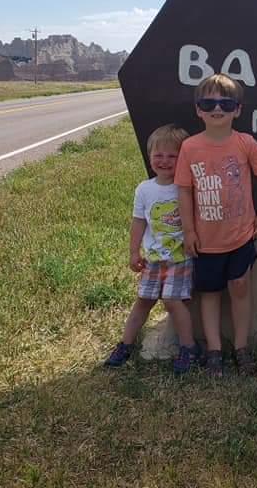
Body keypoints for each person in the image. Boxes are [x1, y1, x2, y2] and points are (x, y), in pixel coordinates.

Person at [175, 73, 257, 376]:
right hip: (205, 241)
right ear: (198, 109)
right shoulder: (190, 148)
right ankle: (215, 349)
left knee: (240, 286)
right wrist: (189, 230)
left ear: (237, 109)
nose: (217, 109)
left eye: (225, 103)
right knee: (209, 293)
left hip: (241, 235)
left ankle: (241, 347)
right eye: (208, 103)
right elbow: (184, 189)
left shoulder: (246, 143)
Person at [104, 123, 201, 374]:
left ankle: (188, 347)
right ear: (150, 157)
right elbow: (139, 222)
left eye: (172, 156)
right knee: (143, 300)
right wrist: (133, 252)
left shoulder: (187, 188)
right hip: (152, 259)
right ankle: (125, 344)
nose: (165, 161)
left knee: (172, 301)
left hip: (179, 257)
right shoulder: (144, 189)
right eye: (159, 155)